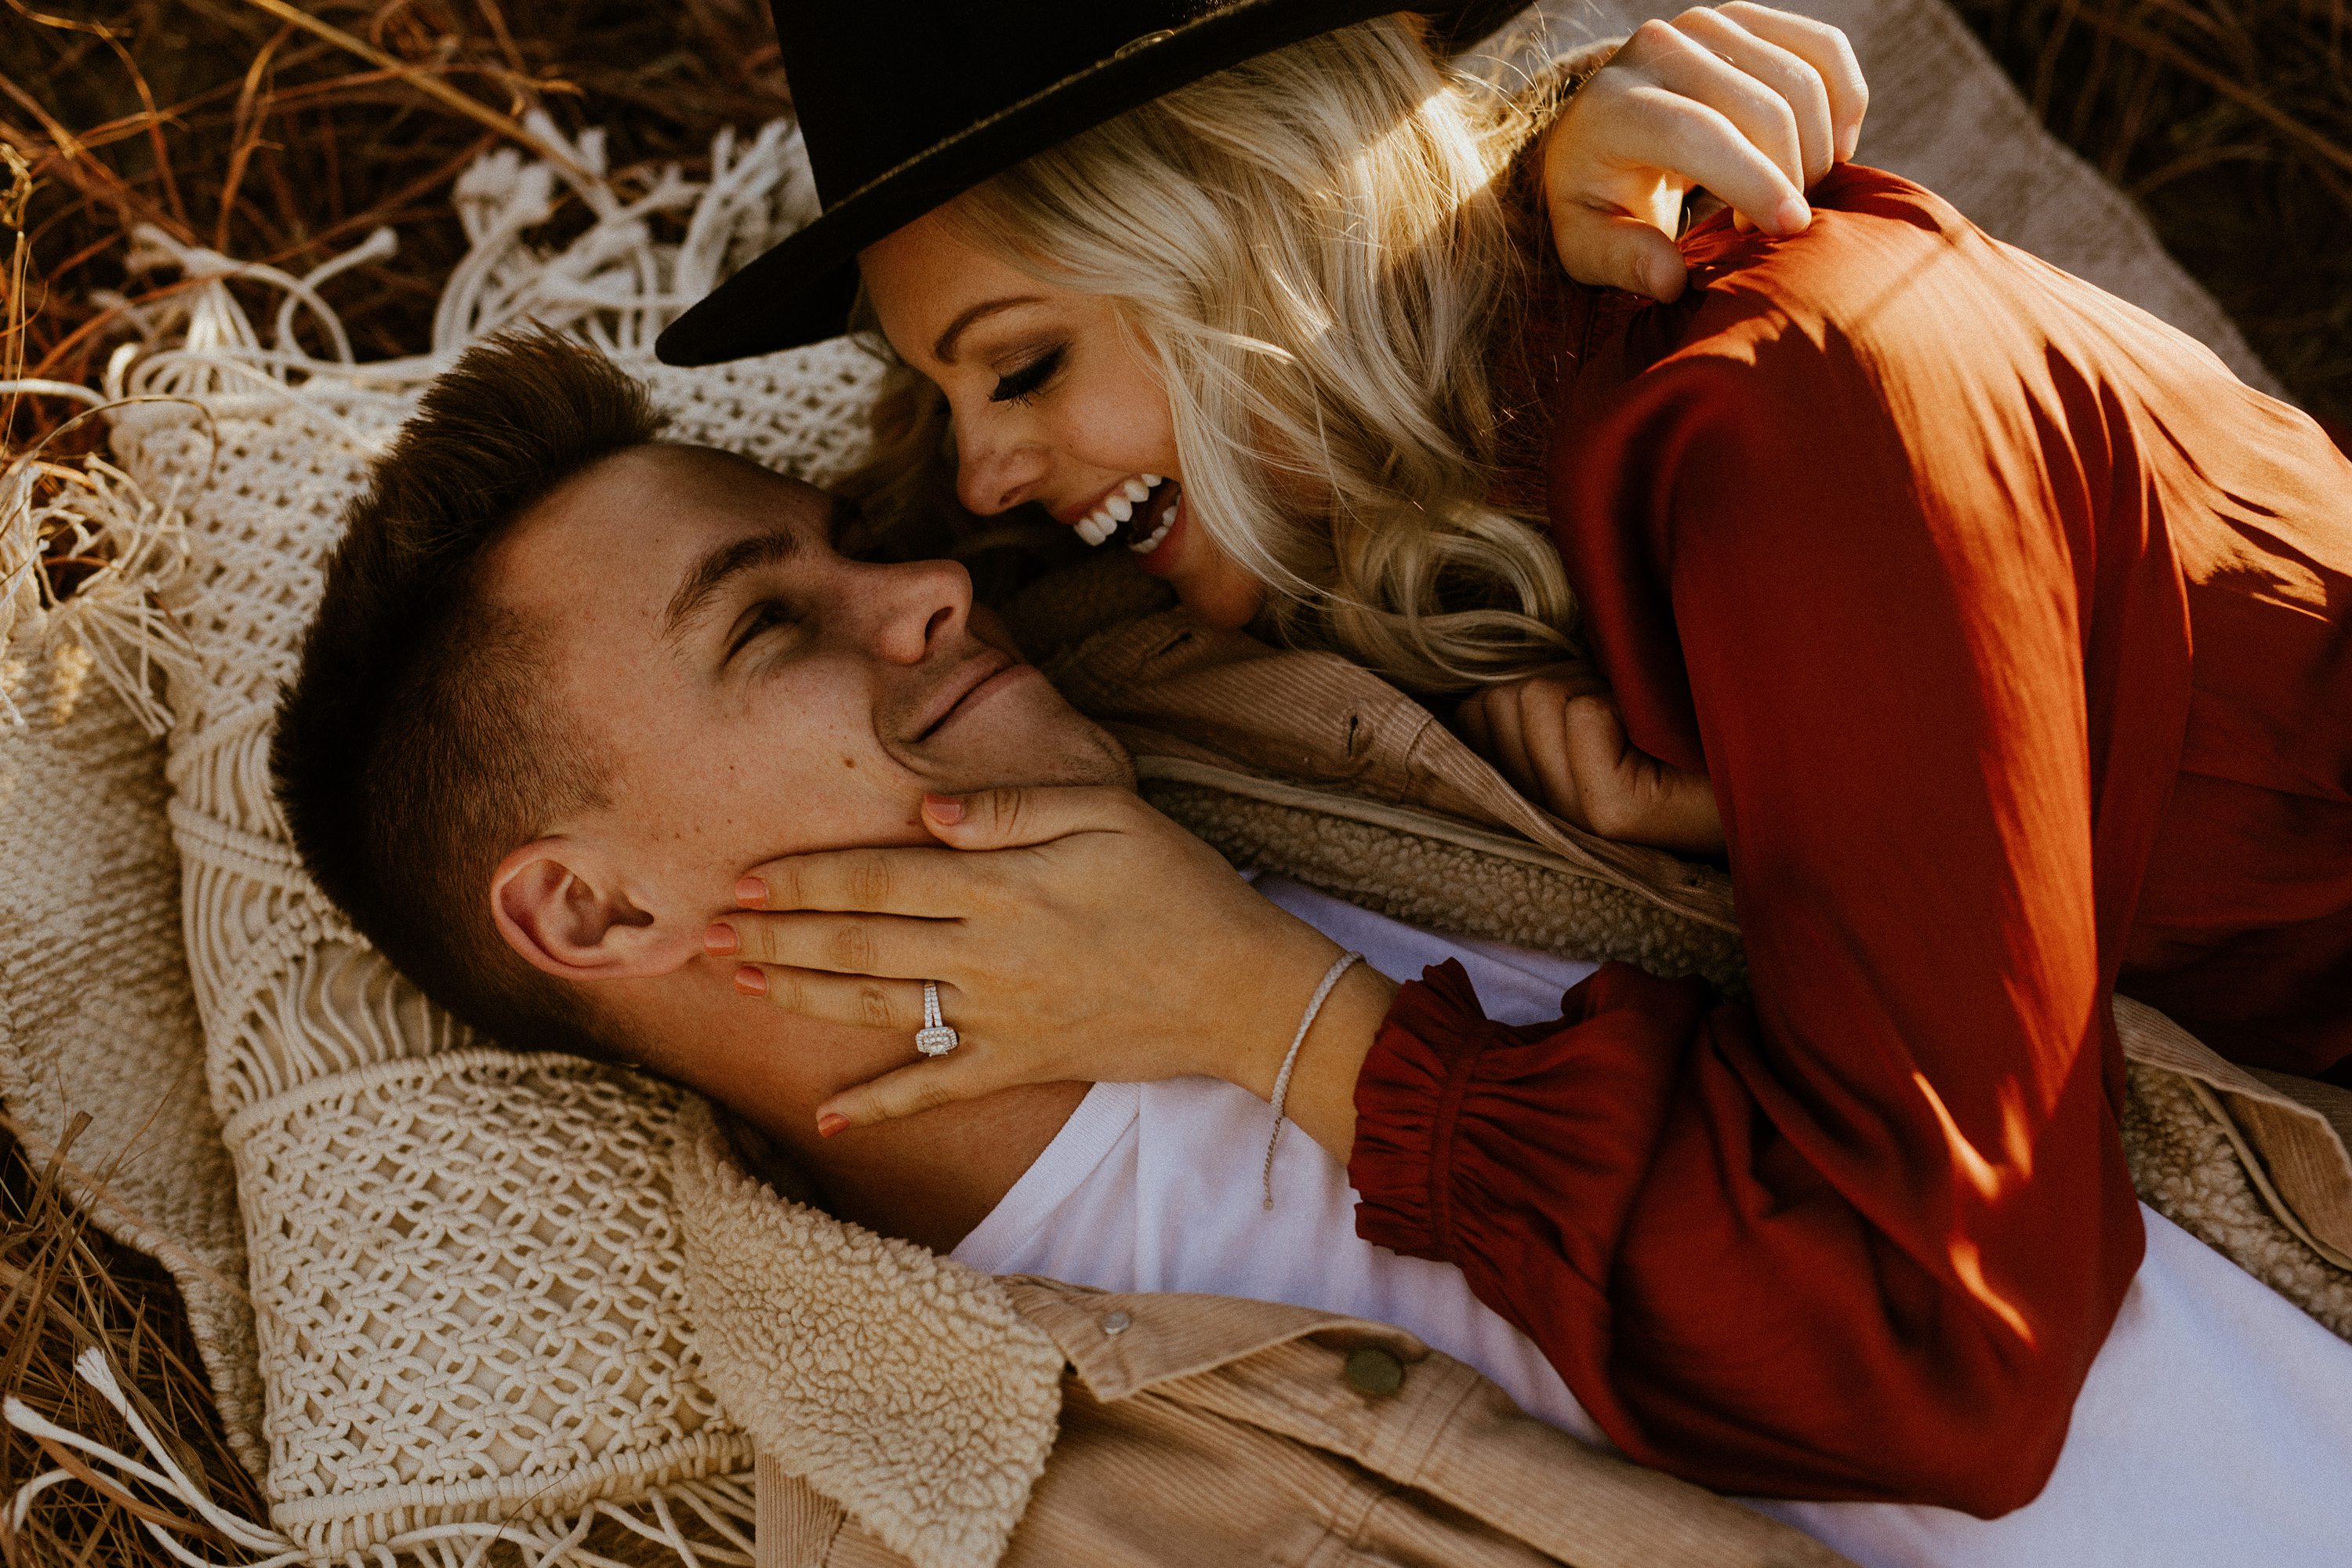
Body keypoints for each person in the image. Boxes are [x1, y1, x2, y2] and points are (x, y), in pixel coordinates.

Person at [650, 0, 2352, 1517]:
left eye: (1021, 367)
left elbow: (1949, 1354)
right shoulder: (1451, 443)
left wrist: (1270, 1012)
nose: (986, 481)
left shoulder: (1783, 403)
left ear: (1259, 222)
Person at [273, 330, 2352, 1568]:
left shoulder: (1238, 665)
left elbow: (1327, 305)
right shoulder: (1026, 1500)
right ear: (590, 911)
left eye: (855, 552)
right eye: (766, 623)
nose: (917, 598)